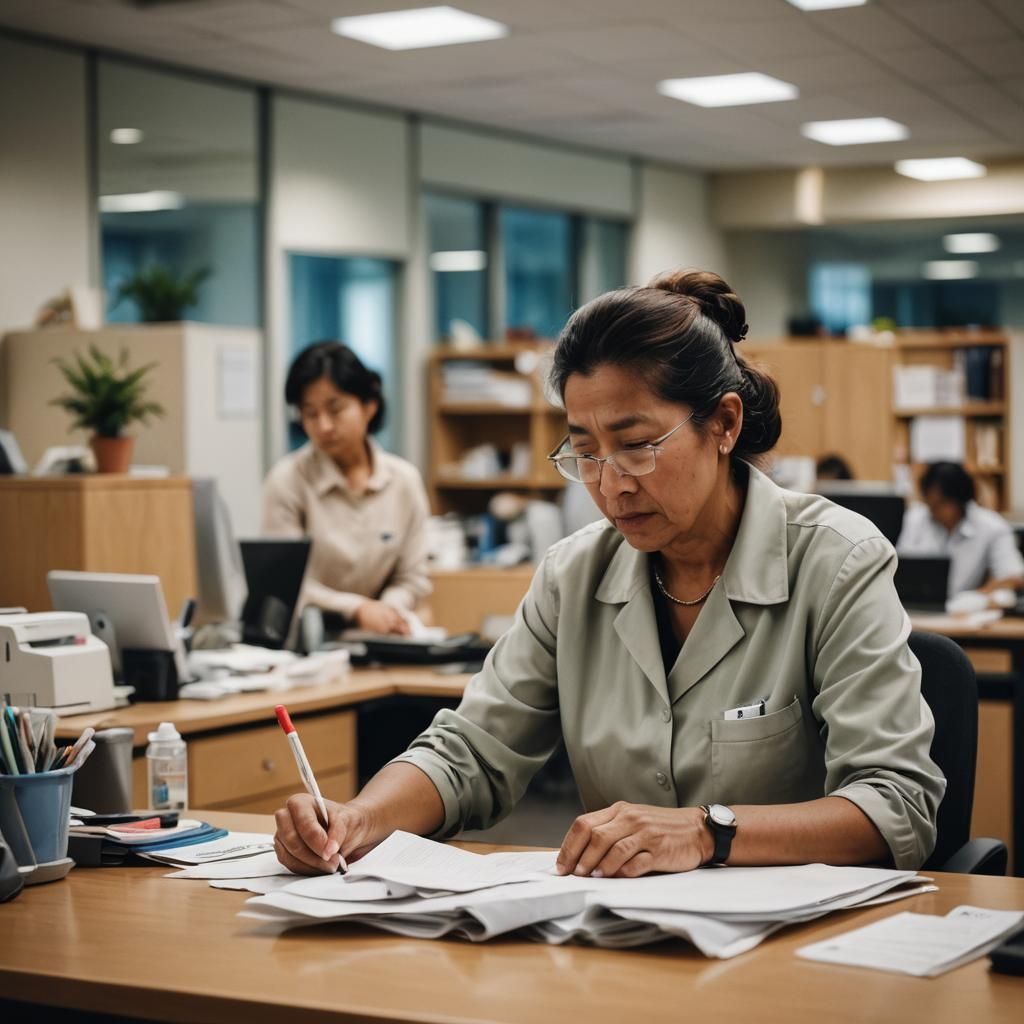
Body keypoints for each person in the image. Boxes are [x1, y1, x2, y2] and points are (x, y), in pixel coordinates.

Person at [274, 271, 943, 879]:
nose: (610, 485)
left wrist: (708, 831)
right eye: (585, 452)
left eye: (637, 446)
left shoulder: (836, 560)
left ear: (725, 424)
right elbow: (470, 753)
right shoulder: (574, 576)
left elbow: (896, 803)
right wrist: (363, 818)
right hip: (620, 940)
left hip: (799, 955)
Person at [262, 341, 431, 636]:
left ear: (369, 406)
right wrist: (356, 609)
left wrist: (387, 611)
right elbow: (283, 582)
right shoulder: (287, 480)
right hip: (308, 642)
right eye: (310, 413)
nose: (324, 426)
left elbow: (412, 576)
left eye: (335, 409)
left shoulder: (404, 480)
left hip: (384, 640)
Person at [897, 461, 1024, 597]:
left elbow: (1014, 577)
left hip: (966, 610)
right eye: (929, 503)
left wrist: (978, 597)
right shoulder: (917, 518)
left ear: (960, 500)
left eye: (940, 503)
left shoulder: (992, 526)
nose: (933, 511)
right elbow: (900, 569)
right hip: (917, 607)